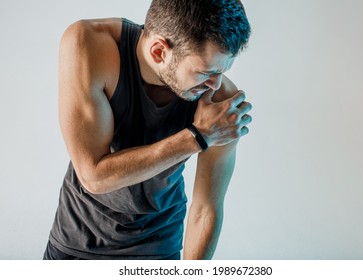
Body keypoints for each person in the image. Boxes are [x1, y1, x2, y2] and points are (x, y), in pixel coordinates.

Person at [44, 0, 252, 260]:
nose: (215, 84)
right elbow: (94, 176)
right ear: (158, 51)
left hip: (158, 247)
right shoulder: (90, 45)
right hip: (79, 240)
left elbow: (206, 208)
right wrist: (198, 137)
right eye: (205, 72)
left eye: (223, 71)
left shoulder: (220, 103)